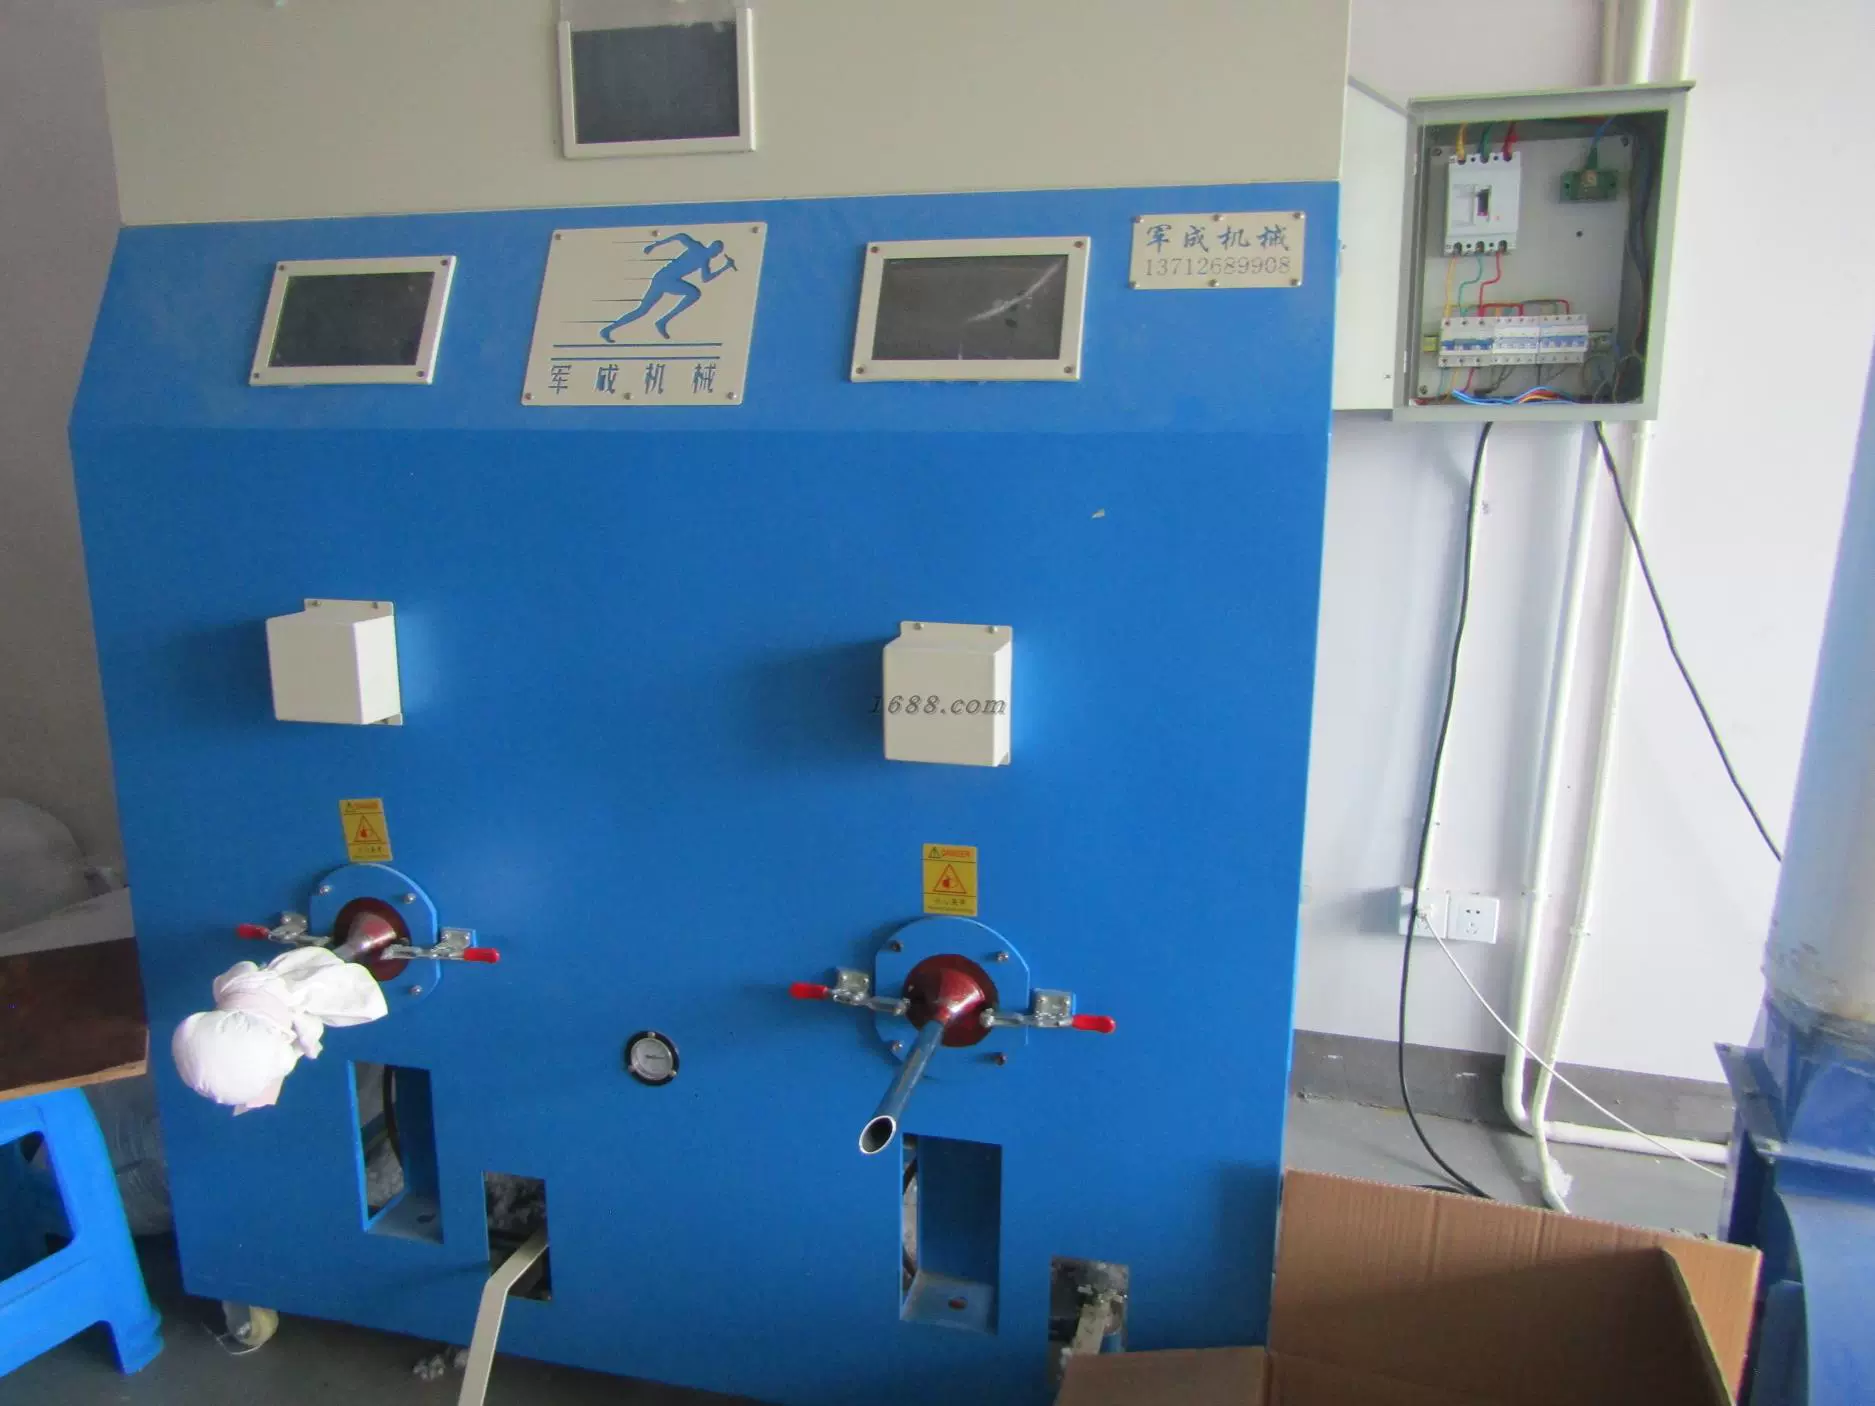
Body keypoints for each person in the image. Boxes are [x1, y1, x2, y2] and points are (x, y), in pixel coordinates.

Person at [601, 232, 738, 341]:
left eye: (718, 252)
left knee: (644, 309)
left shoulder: (704, 261)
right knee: (645, 309)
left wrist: (725, 267)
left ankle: (611, 328)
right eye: (717, 250)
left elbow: (706, 278)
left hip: (664, 278)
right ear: (712, 247)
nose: (716, 254)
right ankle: (611, 329)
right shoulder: (698, 249)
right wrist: (655, 245)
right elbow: (681, 236)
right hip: (665, 279)